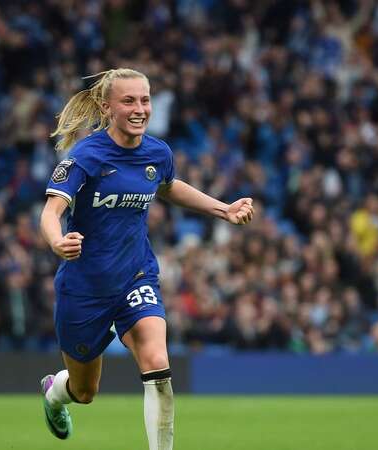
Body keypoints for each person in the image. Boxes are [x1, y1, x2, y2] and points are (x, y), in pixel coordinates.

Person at [38, 68, 255, 450]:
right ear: (107, 108)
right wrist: (57, 242)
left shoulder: (157, 153)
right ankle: (56, 393)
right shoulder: (86, 156)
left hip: (136, 276)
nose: (140, 109)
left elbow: (168, 186)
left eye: (145, 100)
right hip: (85, 287)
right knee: (85, 391)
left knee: (157, 361)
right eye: (129, 101)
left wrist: (223, 209)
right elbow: (51, 211)